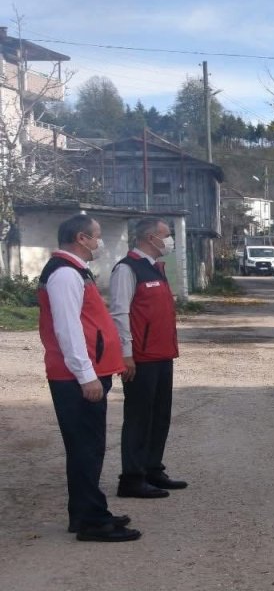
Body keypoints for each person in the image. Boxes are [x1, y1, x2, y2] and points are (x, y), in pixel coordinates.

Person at [38, 214, 139, 541]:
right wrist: (86, 376)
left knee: (89, 448)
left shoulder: (73, 271)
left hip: (83, 374)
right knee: (85, 449)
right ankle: (92, 521)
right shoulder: (65, 274)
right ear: (81, 238)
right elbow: (67, 330)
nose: (99, 243)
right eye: (96, 237)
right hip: (76, 377)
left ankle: (85, 513)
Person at [110, 218, 186, 499]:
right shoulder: (127, 269)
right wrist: (126, 354)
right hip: (141, 357)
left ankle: (152, 469)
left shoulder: (156, 268)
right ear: (150, 237)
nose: (170, 241)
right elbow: (119, 313)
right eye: (167, 235)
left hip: (162, 353)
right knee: (139, 417)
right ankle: (131, 478)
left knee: (160, 415)